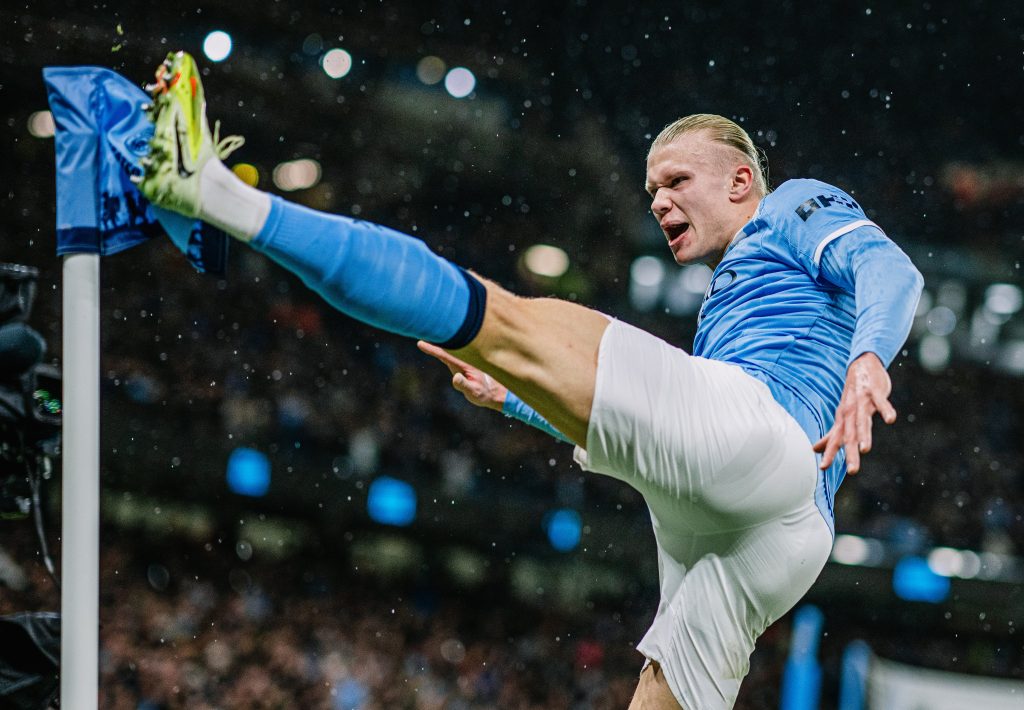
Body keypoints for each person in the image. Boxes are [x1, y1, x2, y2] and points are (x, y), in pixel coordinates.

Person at [137, 50, 924, 709]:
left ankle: (215, 193)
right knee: (663, 695)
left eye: (677, 180)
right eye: (651, 188)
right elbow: (651, 426)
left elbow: (889, 268)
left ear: (741, 182)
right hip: (786, 532)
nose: (658, 201)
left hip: (773, 443)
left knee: (504, 321)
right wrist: (517, 401)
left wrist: (867, 359)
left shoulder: (791, 205)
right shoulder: (735, 296)